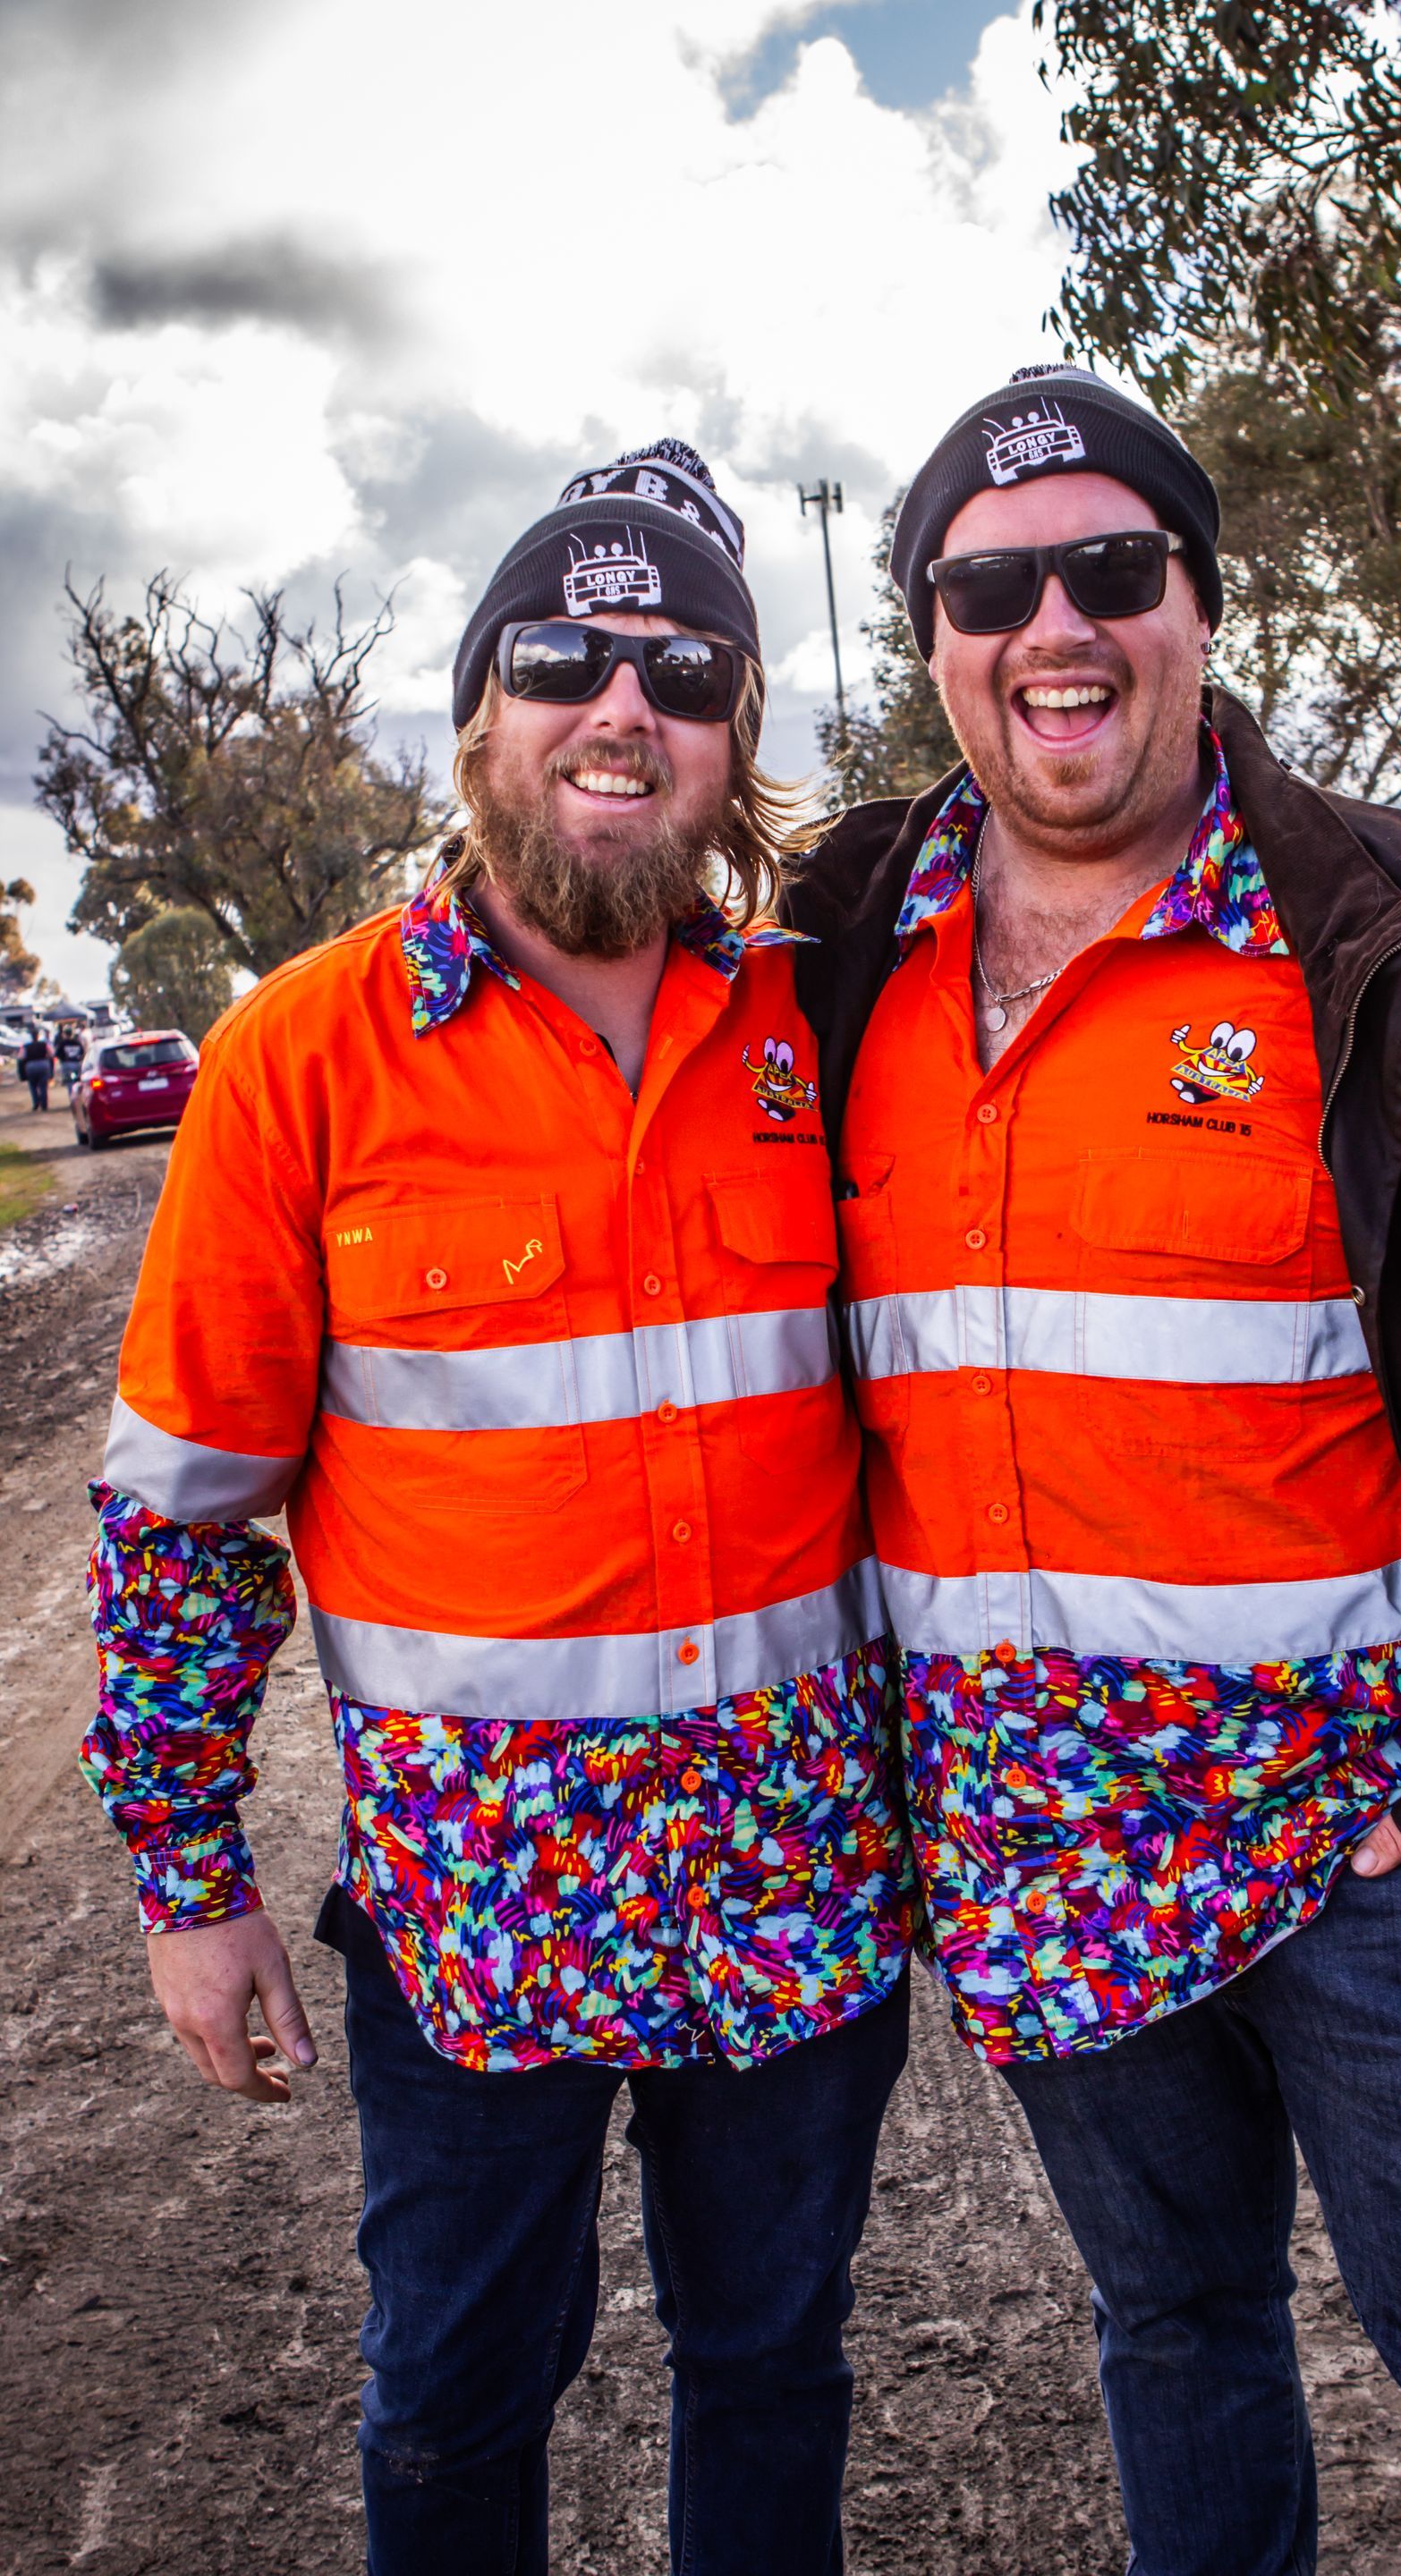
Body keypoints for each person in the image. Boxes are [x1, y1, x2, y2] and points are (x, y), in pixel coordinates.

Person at [785, 365, 1401, 2576]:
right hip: (1031, 1856)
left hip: (1377, 1850)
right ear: (929, 635)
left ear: (1202, 603)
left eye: (1113, 569)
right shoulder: (837, 959)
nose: (1055, 627)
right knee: (1174, 2325)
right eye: (989, 586)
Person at [81, 439, 913, 2576]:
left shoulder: (821, 1033)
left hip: (796, 1882)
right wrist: (189, 1876)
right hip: (478, 1920)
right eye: (563, 656)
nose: (621, 704)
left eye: (686, 671)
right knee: (452, 2395)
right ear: (479, 721)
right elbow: (181, 1515)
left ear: (737, 747)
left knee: (775, 2364)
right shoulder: (302, 1058)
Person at [19, 1022, 52, 1110]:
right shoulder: (44, 1044)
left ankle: (36, 1103)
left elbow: (21, 1057)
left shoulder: (26, 1046)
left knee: (33, 1086)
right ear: (38, 1036)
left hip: (31, 1066)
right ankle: (44, 1105)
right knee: (43, 1086)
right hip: (43, 1065)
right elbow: (51, 1054)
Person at [55, 1020, 85, 1097]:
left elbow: (57, 1054)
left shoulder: (62, 1043)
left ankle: (72, 1097)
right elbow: (82, 1052)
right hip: (76, 1064)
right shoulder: (77, 1042)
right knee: (77, 1082)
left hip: (66, 1064)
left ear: (64, 1034)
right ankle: (78, 1097)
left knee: (69, 1082)